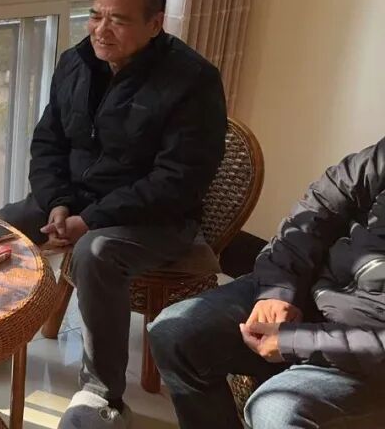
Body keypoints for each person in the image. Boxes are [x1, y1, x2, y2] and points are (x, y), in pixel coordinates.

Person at [0, 0, 227, 428]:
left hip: (156, 217)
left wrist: (90, 220)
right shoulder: (76, 61)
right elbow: (48, 142)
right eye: (95, 15)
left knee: (95, 253)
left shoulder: (193, 81)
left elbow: (177, 181)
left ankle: (103, 395)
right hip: (78, 198)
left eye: (118, 20)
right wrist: (58, 202)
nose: (101, 30)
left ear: (155, 23)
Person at [148, 139, 385, 429]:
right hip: (311, 291)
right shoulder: (380, 157)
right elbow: (316, 208)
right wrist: (278, 291)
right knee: (173, 333)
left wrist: (294, 342)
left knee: (275, 411)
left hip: (366, 356)